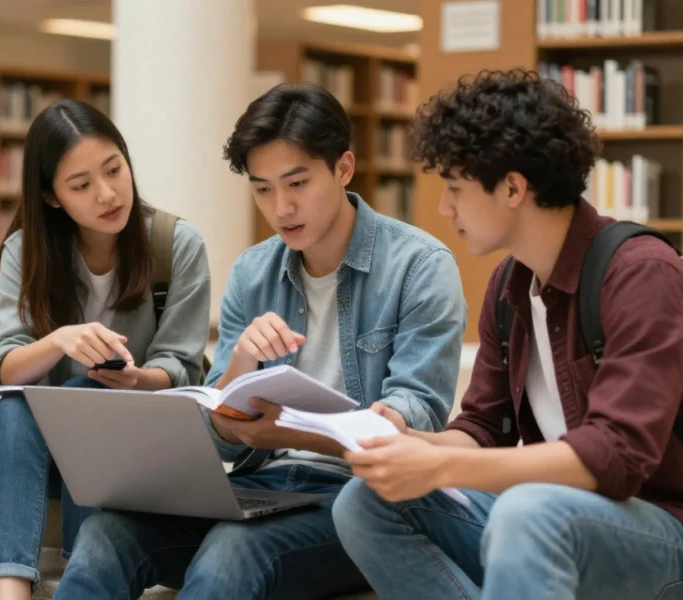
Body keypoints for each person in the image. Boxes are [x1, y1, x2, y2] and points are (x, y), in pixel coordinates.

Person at [54, 82, 466, 599]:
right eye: (263, 188)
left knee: (233, 548)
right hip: (257, 486)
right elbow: (224, 438)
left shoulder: (419, 267)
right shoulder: (253, 271)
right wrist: (238, 371)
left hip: (357, 500)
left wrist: (291, 433)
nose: (281, 207)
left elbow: (414, 420)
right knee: (104, 533)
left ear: (343, 168)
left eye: (297, 183)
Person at [335, 68, 683, 600]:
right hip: (553, 518)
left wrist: (441, 464)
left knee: (527, 510)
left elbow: (618, 456)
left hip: (661, 532)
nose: (444, 208)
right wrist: (413, 445)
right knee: (363, 501)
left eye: (454, 188)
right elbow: (483, 425)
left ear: (514, 188)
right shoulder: (508, 287)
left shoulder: (640, 272)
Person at [0, 98, 211, 600]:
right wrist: (59, 339)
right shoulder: (29, 251)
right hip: (43, 458)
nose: (107, 194)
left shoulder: (175, 244)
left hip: (138, 452)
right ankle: (10, 593)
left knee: (90, 389)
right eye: (81, 185)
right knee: (15, 408)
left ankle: (89, 576)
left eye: (114, 170)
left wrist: (135, 379)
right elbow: (3, 366)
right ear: (52, 197)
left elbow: (182, 366)